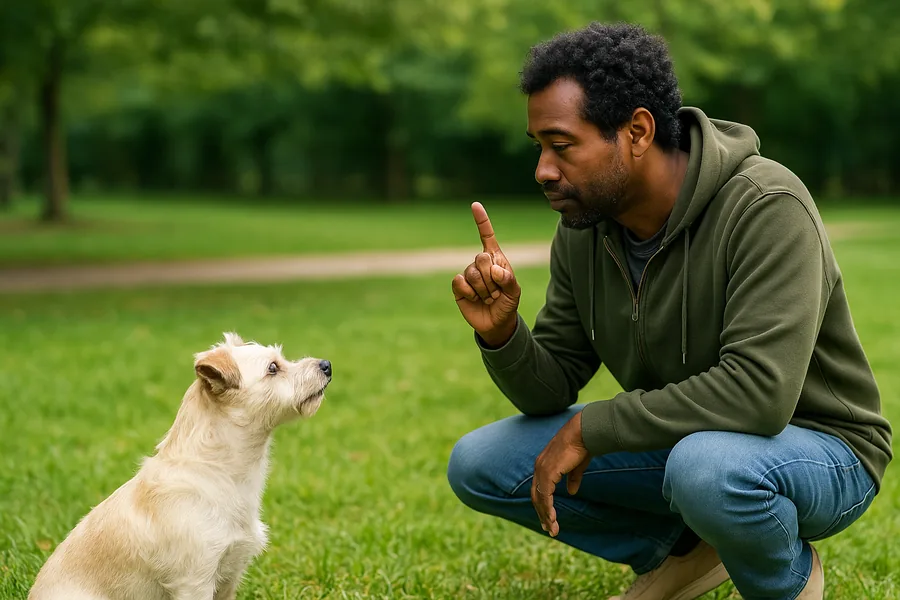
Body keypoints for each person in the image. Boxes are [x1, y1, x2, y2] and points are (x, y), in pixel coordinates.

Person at [446, 21, 892, 600]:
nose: (543, 171)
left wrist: (595, 427)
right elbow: (550, 385)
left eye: (562, 146)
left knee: (706, 471)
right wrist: (504, 335)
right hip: (688, 440)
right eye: (539, 148)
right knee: (480, 462)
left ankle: (788, 581)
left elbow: (760, 392)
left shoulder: (766, 206)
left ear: (636, 130)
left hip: (820, 447)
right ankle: (687, 552)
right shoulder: (584, 229)